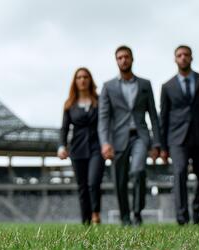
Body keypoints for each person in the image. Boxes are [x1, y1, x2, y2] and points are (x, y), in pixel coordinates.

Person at [98, 46, 162, 226]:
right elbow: (103, 118)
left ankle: (137, 212)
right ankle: (125, 217)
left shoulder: (145, 84)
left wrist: (157, 143)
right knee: (120, 180)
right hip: (118, 138)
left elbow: (154, 116)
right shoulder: (108, 87)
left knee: (138, 170)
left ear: (132, 59)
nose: (123, 60)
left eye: (126, 57)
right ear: (116, 61)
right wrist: (104, 143)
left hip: (140, 136)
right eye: (119, 58)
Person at [159, 45, 199, 225]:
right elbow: (164, 117)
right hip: (177, 138)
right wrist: (163, 146)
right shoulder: (167, 86)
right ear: (175, 59)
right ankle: (182, 216)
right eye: (179, 55)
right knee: (179, 173)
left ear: (191, 58)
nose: (183, 58)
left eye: (186, 55)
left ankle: (196, 208)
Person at [59, 67, 105, 225]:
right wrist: (61, 146)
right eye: (79, 77)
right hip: (77, 149)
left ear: (90, 80)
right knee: (82, 186)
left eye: (85, 77)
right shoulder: (69, 104)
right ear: (75, 81)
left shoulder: (99, 101)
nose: (82, 80)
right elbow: (64, 128)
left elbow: (106, 122)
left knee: (94, 182)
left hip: (97, 147)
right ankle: (85, 221)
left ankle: (95, 213)